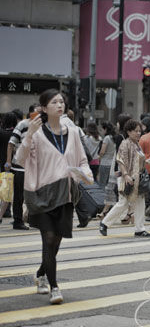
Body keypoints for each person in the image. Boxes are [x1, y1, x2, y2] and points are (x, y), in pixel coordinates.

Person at [16, 89, 92, 304]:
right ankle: (55, 287)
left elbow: (83, 160)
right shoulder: (37, 133)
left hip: (65, 194)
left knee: (55, 243)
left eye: (61, 102)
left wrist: (84, 175)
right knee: (48, 239)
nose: (59, 105)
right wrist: (29, 134)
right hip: (41, 194)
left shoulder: (73, 132)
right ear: (44, 108)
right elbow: (20, 160)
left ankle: (41, 273)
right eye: (54, 102)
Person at [99, 119, 150, 238]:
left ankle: (140, 229)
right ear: (128, 132)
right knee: (123, 203)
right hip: (127, 179)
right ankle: (104, 223)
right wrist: (126, 175)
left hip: (137, 179)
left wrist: (147, 161)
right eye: (136, 131)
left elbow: (139, 160)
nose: (139, 133)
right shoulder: (125, 144)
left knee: (140, 203)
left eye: (140, 131)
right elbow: (121, 160)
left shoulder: (136, 144)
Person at [5, 103, 40, 230]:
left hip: (35, 167)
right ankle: (18, 221)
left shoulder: (41, 127)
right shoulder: (22, 125)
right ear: (30, 114)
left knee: (35, 194)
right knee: (19, 196)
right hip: (20, 167)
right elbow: (11, 143)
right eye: (37, 113)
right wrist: (8, 161)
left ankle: (32, 218)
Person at [0, 112, 18, 222]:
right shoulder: (16, 134)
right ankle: (8, 212)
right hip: (15, 165)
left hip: (3, 165)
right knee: (14, 190)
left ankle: (3, 213)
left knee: (5, 190)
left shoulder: (1, 133)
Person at [98, 122, 116, 186]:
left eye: (101, 130)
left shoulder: (106, 138)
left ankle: (102, 196)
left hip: (104, 163)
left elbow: (102, 151)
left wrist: (99, 157)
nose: (101, 131)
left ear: (105, 129)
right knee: (108, 184)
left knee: (102, 184)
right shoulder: (114, 137)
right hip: (112, 164)